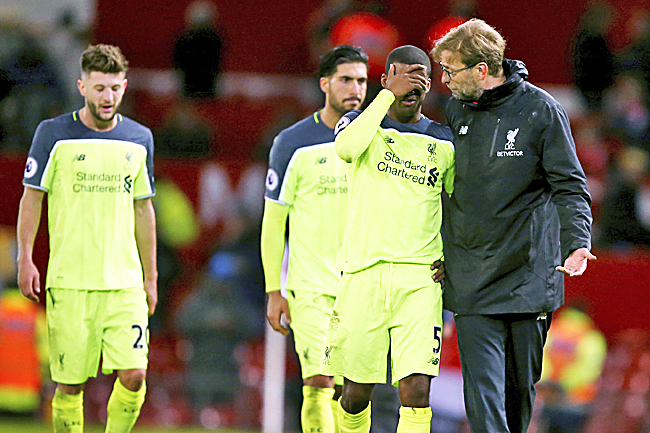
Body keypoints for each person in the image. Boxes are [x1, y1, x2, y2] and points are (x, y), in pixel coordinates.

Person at [430, 19, 595, 433]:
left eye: (451, 70)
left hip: (528, 275)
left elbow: (570, 186)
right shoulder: (452, 112)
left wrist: (576, 242)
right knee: (484, 399)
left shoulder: (542, 111)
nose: (444, 80)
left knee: (517, 397)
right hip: (470, 277)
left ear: (481, 70)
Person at [16, 44, 157, 433]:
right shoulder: (53, 134)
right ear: (81, 86)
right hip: (71, 282)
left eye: (114, 88)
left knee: (134, 376)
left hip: (124, 285)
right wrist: (24, 258)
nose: (107, 97)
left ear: (124, 87)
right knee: (70, 386)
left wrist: (150, 278)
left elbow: (143, 210)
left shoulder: (139, 138)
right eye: (99, 88)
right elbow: (32, 198)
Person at [321, 45, 455, 433]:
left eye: (419, 75)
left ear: (429, 84)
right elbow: (346, 149)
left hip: (420, 280)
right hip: (363, 273)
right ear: (385, 81)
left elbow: (459, 209)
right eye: (401, 74)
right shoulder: (356, 123)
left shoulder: (443, 141)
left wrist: (456, 260)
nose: (410, 81)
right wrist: (385, 97)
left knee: (415, 390)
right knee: (356, 393)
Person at [262, 44, 371, 433]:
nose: (355, 89)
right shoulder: (292, 143)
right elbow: (273, 223)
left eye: (361, 80)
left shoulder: (378, 140)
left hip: (363, 286)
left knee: (355, 390)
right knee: (320, 382)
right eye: (345, 80)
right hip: (310, 288)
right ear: (325, 83)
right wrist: (275, 290)